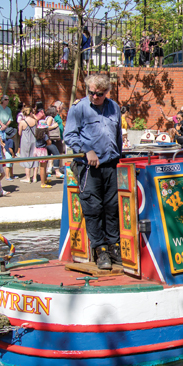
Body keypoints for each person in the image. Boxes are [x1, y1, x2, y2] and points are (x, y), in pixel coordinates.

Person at [64, 75, 123, 270]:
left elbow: (117, 134)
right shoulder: (79, 107)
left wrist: (119, 156)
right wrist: (85, 149)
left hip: (111, 164)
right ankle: (100, 250)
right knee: (93, 208)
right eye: (91, 92)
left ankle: (114, 246)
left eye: (98, 94)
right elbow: (69, 135)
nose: (94, 96)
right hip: (88, 166)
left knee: (112, 207)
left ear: (106, 92)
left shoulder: (113, 107)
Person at [17, 107, 39, 183]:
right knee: (35, 157)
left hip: (25, 141)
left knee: (26, 158)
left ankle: (27, 178)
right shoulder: (35, 121)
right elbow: (37, 131)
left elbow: (19, 133)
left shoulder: (22, 122)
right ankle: (35, 177)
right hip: (34, 140)